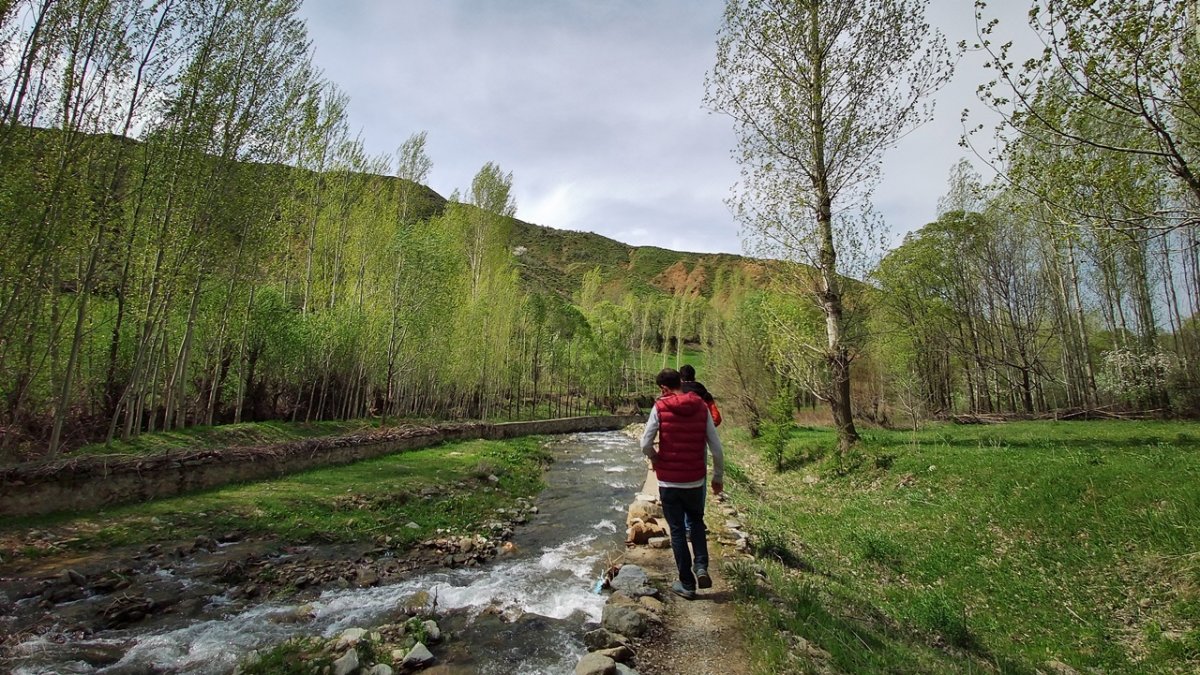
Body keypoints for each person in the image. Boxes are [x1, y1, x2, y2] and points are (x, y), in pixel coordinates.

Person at [640, 368, 724, 600]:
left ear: (664, 388)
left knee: (677, 531)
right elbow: (716, 447)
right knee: (696, 522)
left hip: (669, 481)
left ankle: (687, 584)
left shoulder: (660, 407)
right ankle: (701, 567)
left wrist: (655, 457)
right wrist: (718, 478)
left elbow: (645, 443)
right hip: (695, 479)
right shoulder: (700, 406)